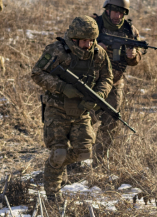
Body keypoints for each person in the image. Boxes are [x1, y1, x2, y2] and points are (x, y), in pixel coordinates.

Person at [31, 16, 113, 201]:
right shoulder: (57, 50)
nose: (88, 44)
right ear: (74, 39)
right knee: (59, 152)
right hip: (56, 109)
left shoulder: (99, 54)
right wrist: (61, 87)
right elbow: (37, 73)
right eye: (85, 41)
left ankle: (53, 165)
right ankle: (52, 194)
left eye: (92, 40)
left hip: (82, 111)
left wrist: (99, 95)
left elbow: (107, 78)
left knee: (84, 152)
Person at [91, 0, 141, 166]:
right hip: (92, 82)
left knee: (111, 122)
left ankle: (98, 162)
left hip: (115, 83)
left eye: (121, 13)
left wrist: (132, 56)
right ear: (107, 8)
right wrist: (95, 48)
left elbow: (136, 57)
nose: (117, 16)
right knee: (84, 120)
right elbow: (75, 47)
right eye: (114, 11)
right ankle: (74, 157)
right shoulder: (94, 25)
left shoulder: (129, 31)